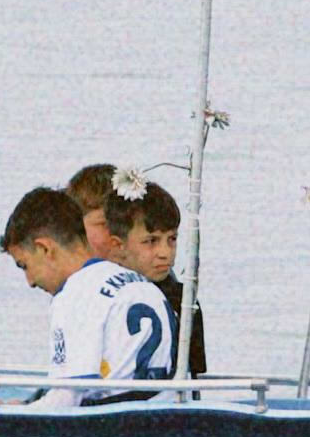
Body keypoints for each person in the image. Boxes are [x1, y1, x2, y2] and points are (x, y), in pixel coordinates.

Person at [0, 185, 174, 404]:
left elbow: (67, 396)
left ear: (44, 248)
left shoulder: (73, 295)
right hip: (163, 417)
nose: (30, 281)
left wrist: (20, 414)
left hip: (116, 424)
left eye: (24, 265)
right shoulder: (142, 284)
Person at [70, 162, 208, 378]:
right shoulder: (81, 290)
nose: (164, 253)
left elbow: (192, 378)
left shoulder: (182, 300)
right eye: (105, 224)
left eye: (171, 239)